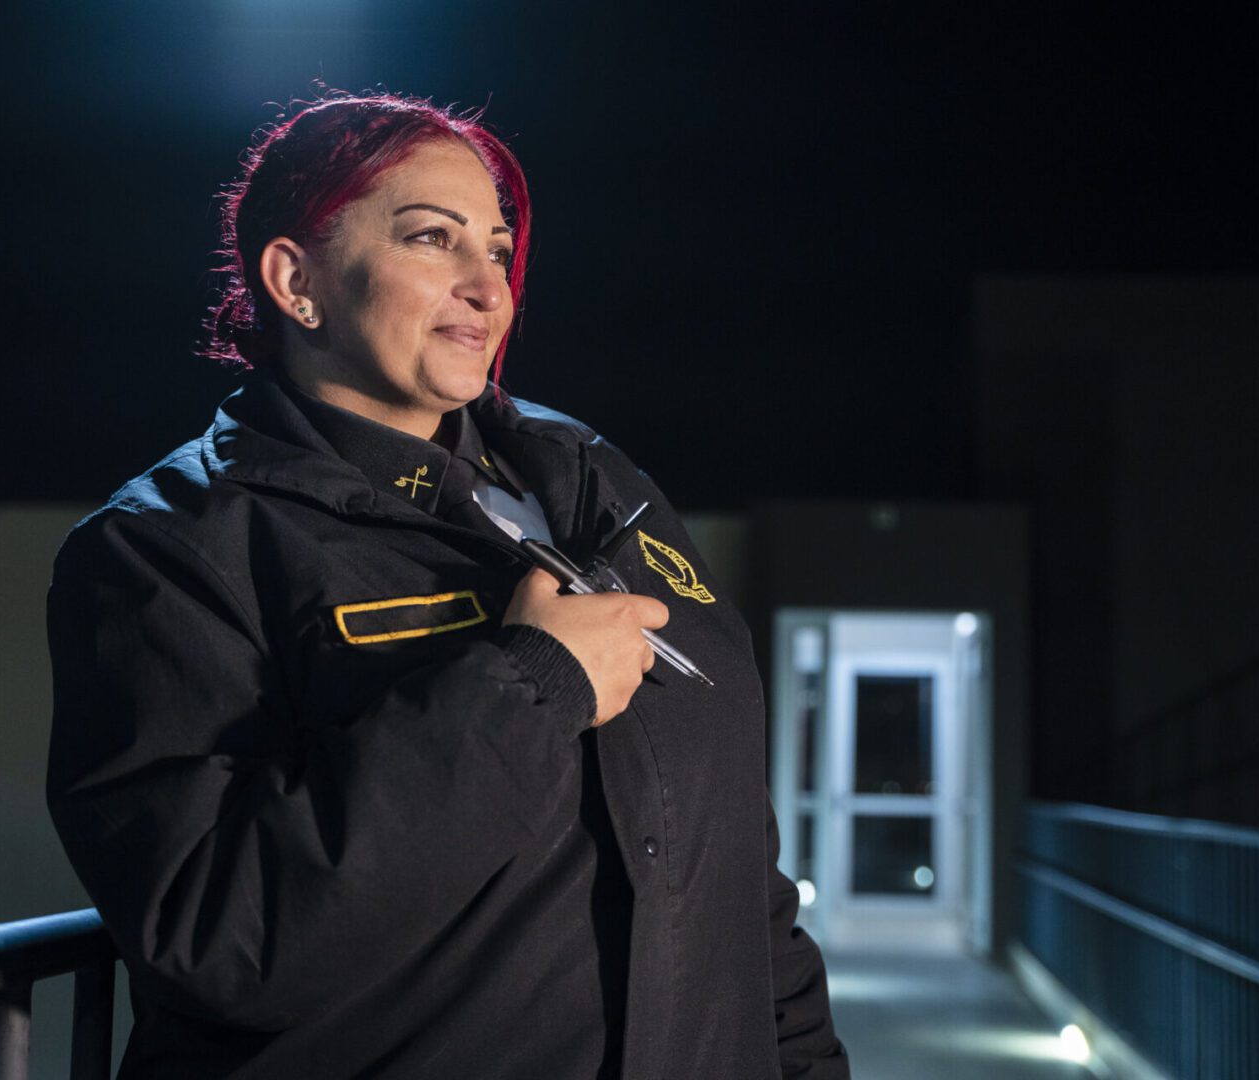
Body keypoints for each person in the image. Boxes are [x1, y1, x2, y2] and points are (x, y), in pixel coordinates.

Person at [45, 91, 848, 1080]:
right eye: (434, 240)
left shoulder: (600, 486)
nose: (489, 287)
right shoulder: (166, 549)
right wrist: (529, 687)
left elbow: (738, 874)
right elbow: (215, 935)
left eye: (498, 250)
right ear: (297, 282)